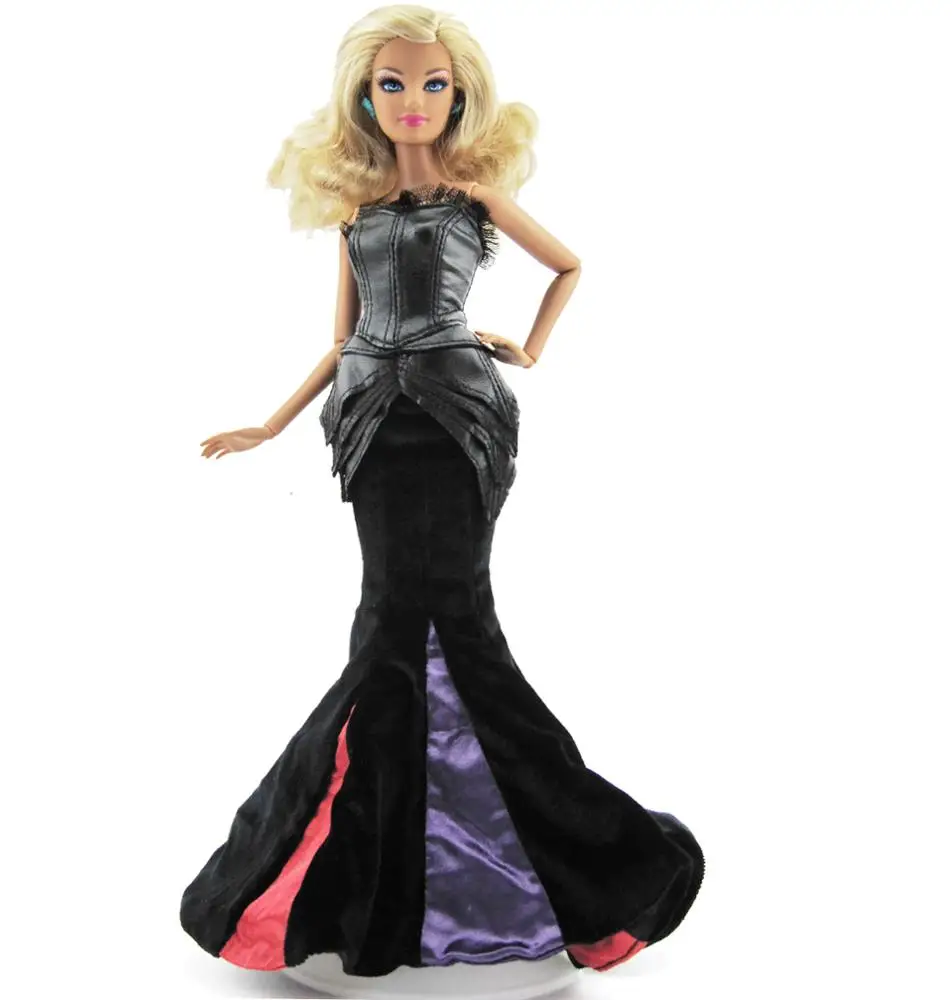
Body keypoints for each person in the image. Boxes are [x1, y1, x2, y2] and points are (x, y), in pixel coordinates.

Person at [180, 3, 705, 981]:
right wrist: (271, 422)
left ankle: (555, 857)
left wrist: (531, 348)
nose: (413, 100)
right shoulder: (356, 214)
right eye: (392, 83)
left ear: (459, 95)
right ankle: (398, 871)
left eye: (433, 84)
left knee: (442, 620)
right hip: (370, 424)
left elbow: (569, 265)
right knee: (391, 622)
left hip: (459, 420)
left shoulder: (473, 201)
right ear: (364, 97)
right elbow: (343, 340)